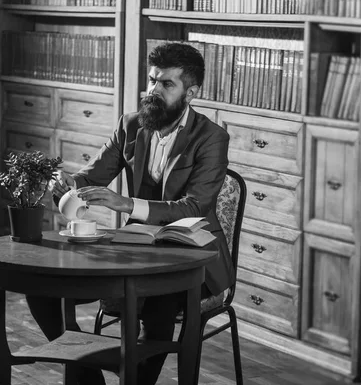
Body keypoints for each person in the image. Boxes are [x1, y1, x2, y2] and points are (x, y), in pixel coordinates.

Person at [26, 42, 234, 385]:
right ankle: (87, 377)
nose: (153, 90)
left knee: (159, 308)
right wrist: (66, 183)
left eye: (167, 84)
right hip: (133, 249)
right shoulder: (132, 125)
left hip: (191, 256)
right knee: (40, 290)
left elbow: (196, 206)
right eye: (152, 80)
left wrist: (125, 204)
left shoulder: (212, 137)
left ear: (191, 92)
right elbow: (90, 178)